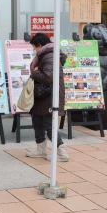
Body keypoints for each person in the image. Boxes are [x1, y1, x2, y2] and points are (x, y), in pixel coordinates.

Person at [26, 33, 69, 162]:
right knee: (37, 120)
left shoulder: (49, 55)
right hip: (43, 95)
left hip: (50, 95)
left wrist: (34, 73)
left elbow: (49, 77)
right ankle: (41, 150)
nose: (34, 50)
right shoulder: (45, 54)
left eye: (34, 47)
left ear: (39, 45)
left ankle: (62, 153)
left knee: (49, 124)